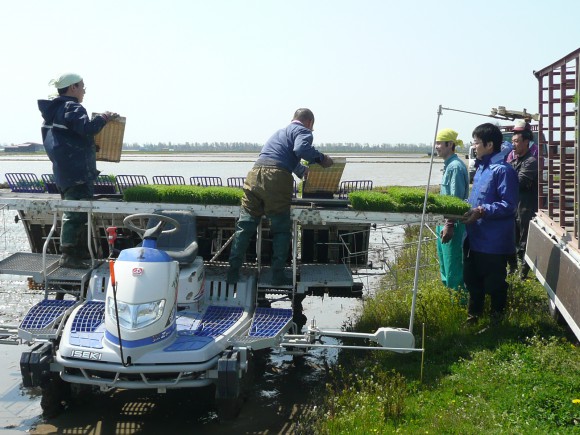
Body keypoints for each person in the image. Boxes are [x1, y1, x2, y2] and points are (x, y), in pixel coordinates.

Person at [226, 108, 333, 285]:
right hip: (275, 178)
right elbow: (300, 149)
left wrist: (302, 171)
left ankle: (232, 273)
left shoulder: (279, 133)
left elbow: (282, 157)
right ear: (309, 123)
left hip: (254, 174)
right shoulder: (303, 131)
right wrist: (322, 159)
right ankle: (277, 276)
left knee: (245, 226)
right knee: (281, 229)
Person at [38, 73, 117, 268]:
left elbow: (69, 139)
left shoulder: (54, 110)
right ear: (73, 88)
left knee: (74, 212)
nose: (83, 91)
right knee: (75, 213)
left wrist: (89, 146)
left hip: (63, 171)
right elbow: (87, 128)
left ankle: (77, 252)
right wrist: (104, 118)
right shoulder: (72, 106)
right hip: (77, 172)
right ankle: (68, 256)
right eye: (82, 87)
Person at [462, 123, 518, 325]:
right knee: (472, 280)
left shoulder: (503, 171)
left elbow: (509, 205)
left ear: (489, 144)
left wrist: (482, 211)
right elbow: (474, 200)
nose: (474, 146)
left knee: (494, 284)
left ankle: (497, 322)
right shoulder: (481, 168)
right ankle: (473, 318)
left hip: (493, 242)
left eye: (476, 143)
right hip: (473, 237)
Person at [434, 129, 469, 291]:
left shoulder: (455, 167)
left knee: (453, 268)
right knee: (445, 267)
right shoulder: (448, 166)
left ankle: (459, 306)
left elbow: (455, 201)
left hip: (452, 225)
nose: (436, 146)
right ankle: (451, 301)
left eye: (440, 143)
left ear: (450, 144)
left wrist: (449, 224)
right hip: (444, 223)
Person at [510, 126, 538, 279]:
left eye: (516, 141)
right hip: (516, 205)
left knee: (524, 239)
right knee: (513, 237)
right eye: (512, 141)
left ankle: (523, 271)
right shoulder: (515, 161)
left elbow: (520, 181)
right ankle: (514, 267)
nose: (513, 144)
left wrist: (508, 178)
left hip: (526, 206)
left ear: (526, 142)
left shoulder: (531, 161)